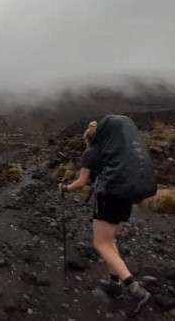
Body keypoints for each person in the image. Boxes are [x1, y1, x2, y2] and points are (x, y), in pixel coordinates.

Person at [58, 115, 153, 315]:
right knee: (110, 241)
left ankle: (136, 290)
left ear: (88, 138)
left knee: (101, 244)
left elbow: (82, 182)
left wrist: (65, 188)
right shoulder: (117, 151)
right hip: (125, 198)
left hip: (108, 198)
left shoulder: (92, 152)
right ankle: (114, 283)